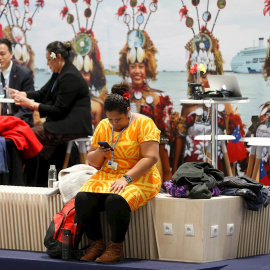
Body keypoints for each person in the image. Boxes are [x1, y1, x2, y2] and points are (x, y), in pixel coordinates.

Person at [75, 82, 161, 263]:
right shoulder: (103, 125)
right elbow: (91, 160)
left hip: (140, 176)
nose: (114, 123)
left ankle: (115, 247)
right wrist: (99, 153)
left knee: (115, 199)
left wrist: (126, 178)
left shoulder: (145, 124)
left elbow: (151, 157)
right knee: (83, 198)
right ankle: (96, 244)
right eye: (111, 119)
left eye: (119, 120)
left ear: (128, 112)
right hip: (108, 174)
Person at [8, 41, 92, 185]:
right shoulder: (59, 73)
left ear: (58, 56)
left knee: (28, 136)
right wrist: (22, 93)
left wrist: (31, 104)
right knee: (31, 138)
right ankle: (36, 180)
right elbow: (41, 93)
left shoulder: (70, 76)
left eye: (48, 59)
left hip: (72, 125)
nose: (47, 63)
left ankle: (26, 181)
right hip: (62, 122)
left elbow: (59, 110)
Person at [119, 29, 173, 182]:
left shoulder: (156, 98)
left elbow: (162, 139)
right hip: (124, 157)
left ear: (147, 68)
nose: (137, 71)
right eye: (133, 67)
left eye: (141, 67)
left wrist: (168, 171)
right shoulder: (119, 96)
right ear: (126, 68)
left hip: (151, 159)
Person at [0, 38, 35, 127]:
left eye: (2, 54)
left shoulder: (24, 74)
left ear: (11, 54)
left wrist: (8, 122)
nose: (0, 58)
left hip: (18, 119)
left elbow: (27, 108)